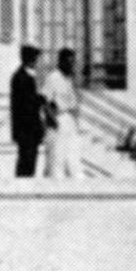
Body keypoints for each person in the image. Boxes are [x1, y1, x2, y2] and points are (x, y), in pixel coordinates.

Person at [43, 47, 82, 178]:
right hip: (58, 119)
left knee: (73, 159)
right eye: (69, 62)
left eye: (73, 62)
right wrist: (53, 121)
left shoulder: (69, 79)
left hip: (70, 121)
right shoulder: (53, 77)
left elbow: (74, 102)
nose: (71, 65)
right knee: (57, 161)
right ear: (61, 62)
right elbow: (45, 102)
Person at [9, 44, 45, 177]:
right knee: (27, 163)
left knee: (27, 162)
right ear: (30, 59)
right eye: (35, 58)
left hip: (25, 130)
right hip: (27, 129)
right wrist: (41, 99)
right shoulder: (23, 78)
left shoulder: (21, 76)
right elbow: (27, 105)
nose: (36, 62)